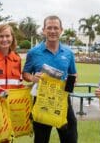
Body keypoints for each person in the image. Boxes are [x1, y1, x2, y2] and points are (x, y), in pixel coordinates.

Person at [23, 15, 78, 143]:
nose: (52, 31)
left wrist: (72, 82)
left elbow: (73, 74)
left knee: (70, 139)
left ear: (61, 30)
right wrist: (33, 77)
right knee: (41, 140)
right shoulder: (33, 52)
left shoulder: (68, 53)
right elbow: (25, 74)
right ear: (43, 30)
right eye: (49, 28)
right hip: (41, 100)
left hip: (63, 100)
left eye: (55, 28)